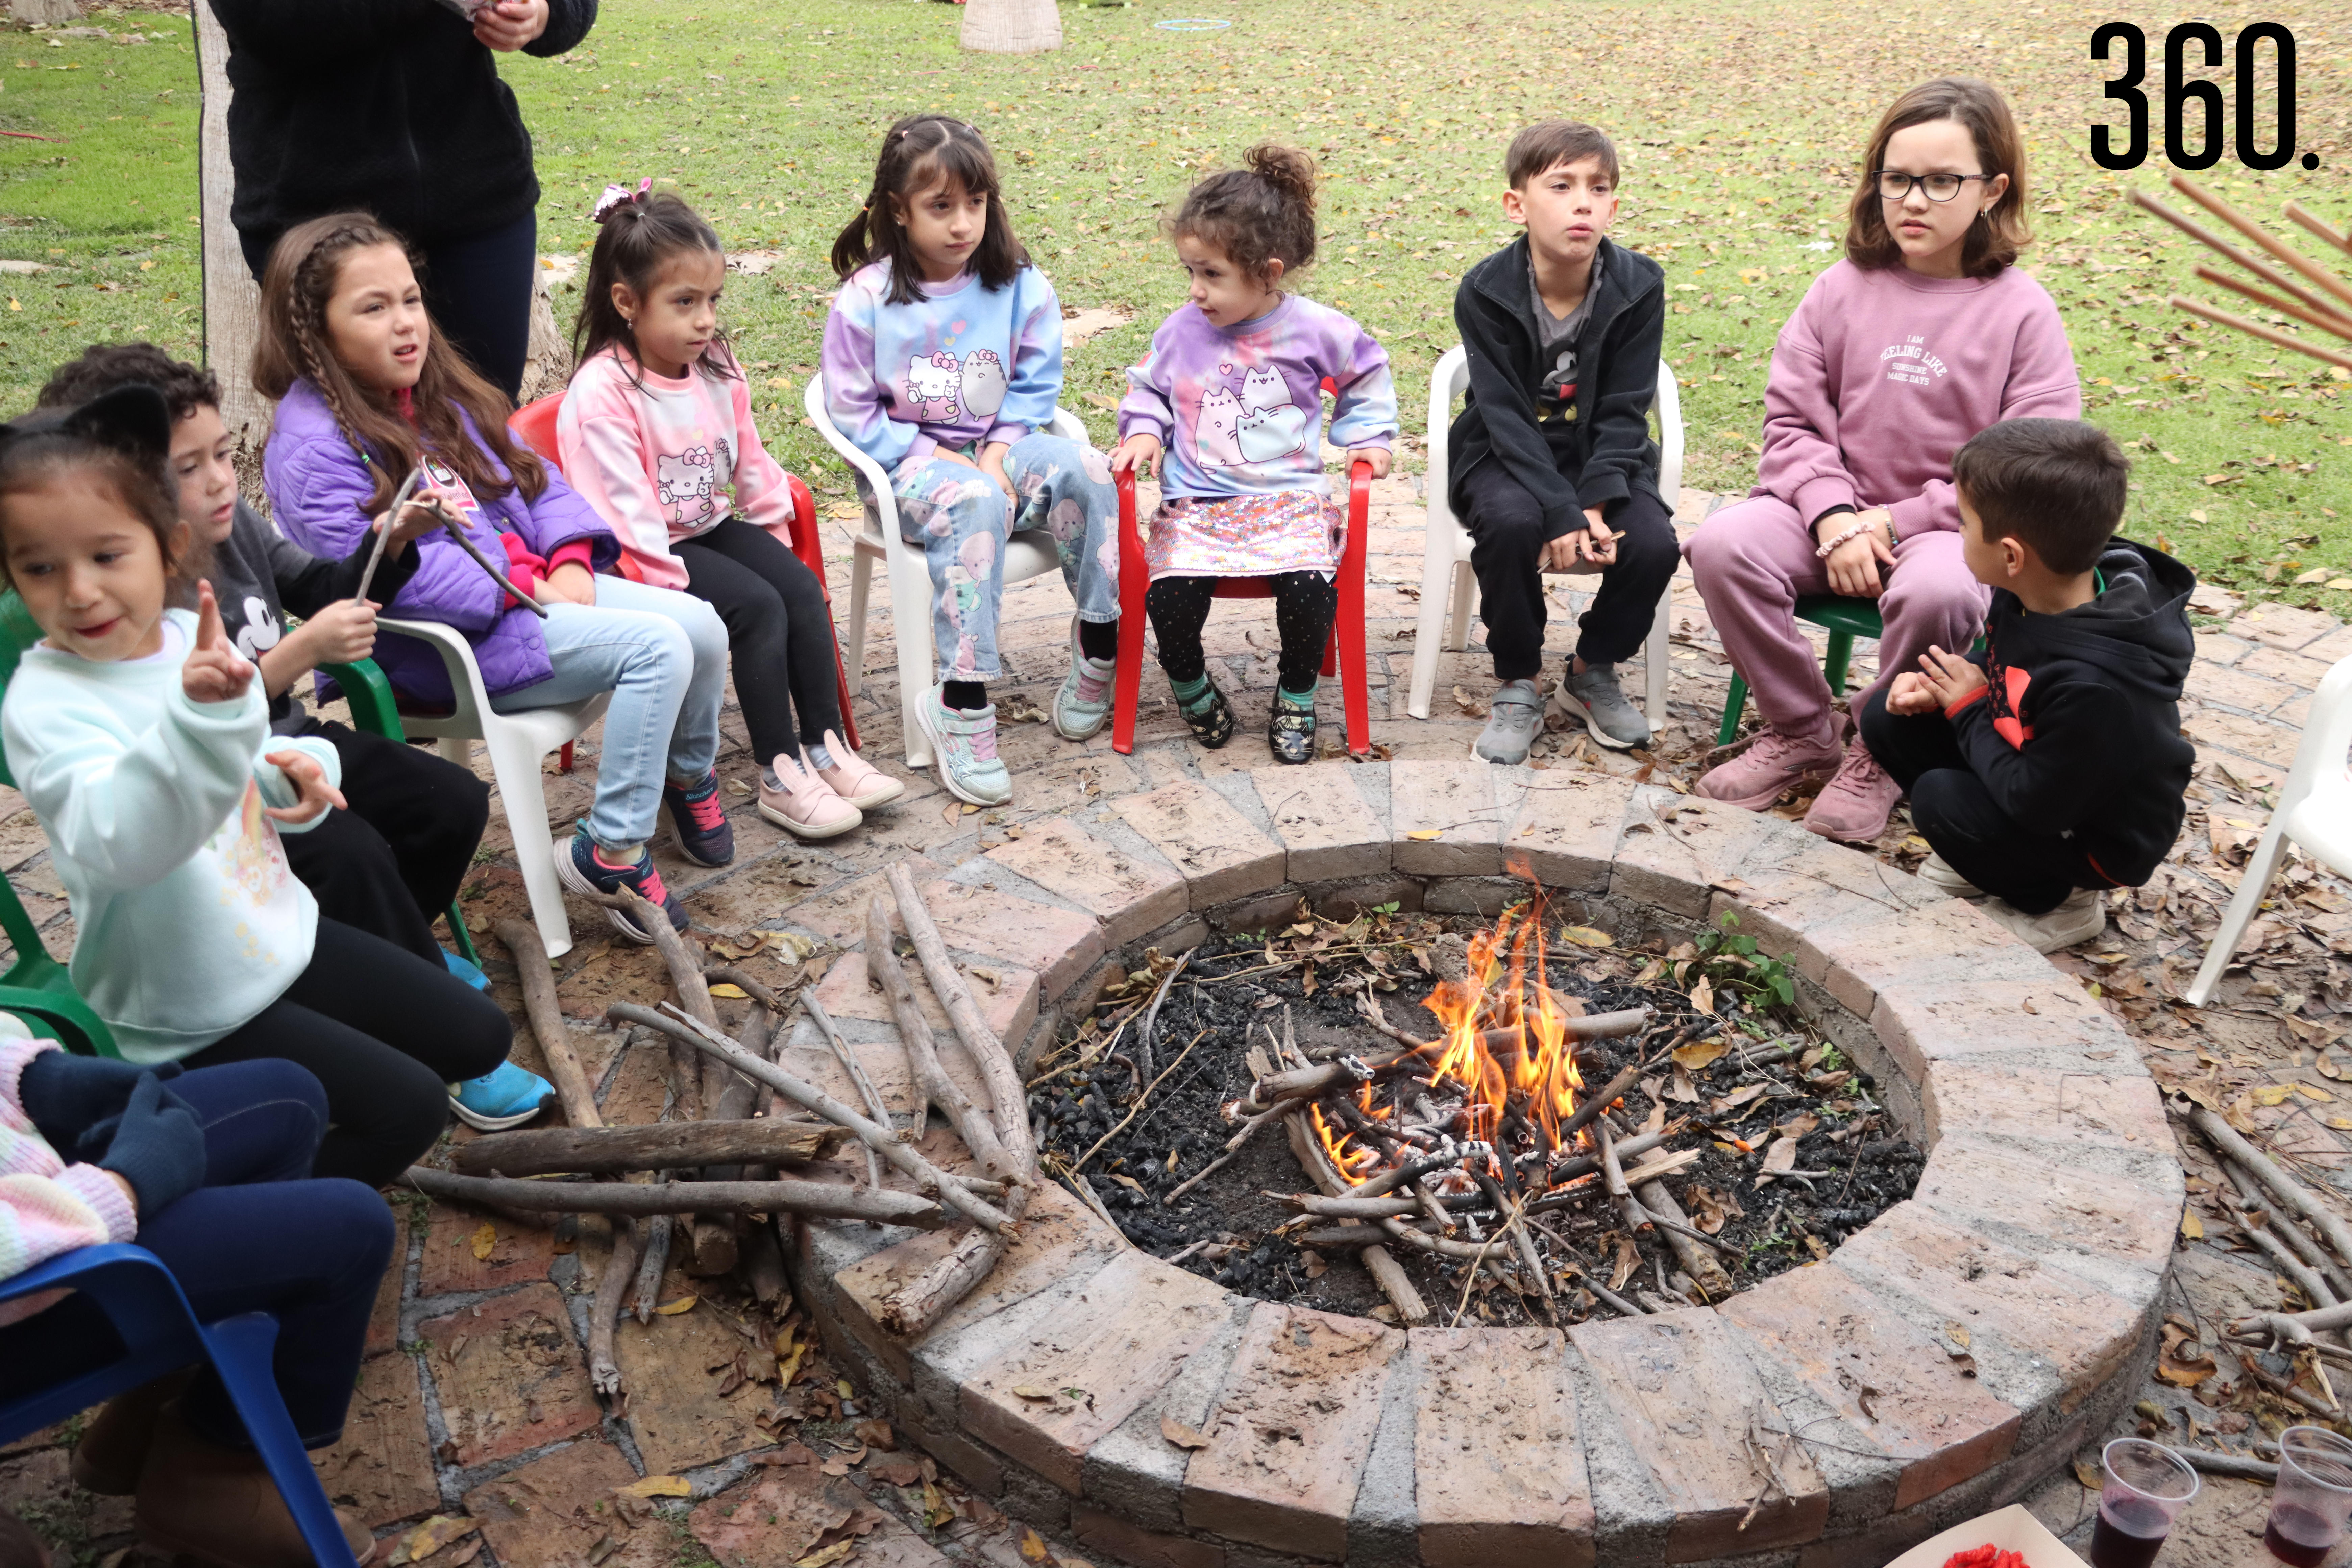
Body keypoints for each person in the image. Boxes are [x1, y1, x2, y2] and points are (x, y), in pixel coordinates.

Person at [0, 385, 519, 1186]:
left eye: (107, 555)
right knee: (410, 1107)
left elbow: (236, 755)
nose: (78, 590)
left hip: (273, 929)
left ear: (168, 547)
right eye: (40, 566)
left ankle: (272, 1118)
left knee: (478, 1036)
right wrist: (201, 722)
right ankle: (201, 1187)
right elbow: (124, 841)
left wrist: (292, 773)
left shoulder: (178, 636)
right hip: (187, 995)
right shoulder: (44, 706)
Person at [257, 212, 731, 945]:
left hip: (530, 598)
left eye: (410, 299)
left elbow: (530, 480)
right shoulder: (314, 448)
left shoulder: (433, 391)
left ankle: (685, 774)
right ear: (315, 331)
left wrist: (570, 556)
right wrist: (527, 583)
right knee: (656, 649)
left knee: (699, 623)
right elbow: (389, 579)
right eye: (373, 308)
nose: (405, 324)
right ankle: (612, 851)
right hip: (453, 648)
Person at [1682, 77, 2080, 842]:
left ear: (1992, 189)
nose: (1914, 201)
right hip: (1824, 511)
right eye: (1896, 179)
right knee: (1722, 544)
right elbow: (1793, 423)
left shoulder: (2022, 312)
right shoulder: (1840, 288)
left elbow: (2032, 464)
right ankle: (1801, 728)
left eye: (1941, 181)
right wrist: (1835, 516)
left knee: (1939, 592)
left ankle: (1881, 749)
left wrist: (1890, 522)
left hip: (1948, 528)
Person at [36, 342, 499, 997]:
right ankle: (409, 990)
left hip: (289, 741)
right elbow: (175, 726)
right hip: (215, 790)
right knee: (351, 854)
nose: (222, 480)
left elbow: (324, 587)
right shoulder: (117, 596)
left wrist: (390, 538)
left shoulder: (233, 527)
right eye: (187, 469)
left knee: (451, 803)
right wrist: (302, 651)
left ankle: (385, 958)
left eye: (223, 454)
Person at [561, 185, 902, 840]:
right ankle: (779, 772)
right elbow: (623, 516)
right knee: (755, 606)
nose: (704, 321)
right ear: (626, 302)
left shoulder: (712, 365)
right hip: (637, 556)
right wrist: (674, 588)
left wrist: (774, 533)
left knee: (797, 589)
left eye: (712, 300)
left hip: (705, 525)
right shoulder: (605, 391)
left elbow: (749, 457)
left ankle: (827, 748)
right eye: (684, 303)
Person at [0, 1015, 393, 1565]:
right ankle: (210, 1476)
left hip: (32, 1184)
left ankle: (156, 1413)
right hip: (25, 1279)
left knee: (288, 1101)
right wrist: (121, 1188)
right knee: (353, 1231)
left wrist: (25, 1074)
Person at [823, 114, 1121, 806]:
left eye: (976, 204)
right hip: (907, 470)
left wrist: (996, 450)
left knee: (1092, 467)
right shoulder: (867, 301)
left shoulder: (1016, 283)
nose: (963, 224)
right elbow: (852, 412)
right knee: (974, 501)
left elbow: (1036, 383)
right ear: (899, 210)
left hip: (1002, 450)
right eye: (941, 207)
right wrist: (948, 458)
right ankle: (960, 701)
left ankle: (1100, 643)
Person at [1111, 144, 1397, 764]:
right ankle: (1190, 686)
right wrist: (1142, 431)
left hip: (1288, 504)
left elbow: (1367, 374)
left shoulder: (1316, 329)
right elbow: (1149, 388)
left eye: (1211, 274)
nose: (1195, 291)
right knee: (1170, 597)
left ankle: (1296, 693)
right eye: (1189, 272)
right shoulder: (1181, 330)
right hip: (1200, 507)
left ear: (1268, 272)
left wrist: (1367, 441)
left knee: (1309, 589)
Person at [1863, 419, 2192, 952]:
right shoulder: (2039, 588)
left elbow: (2038, 804)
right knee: (1887, 718)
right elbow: (2005, 661)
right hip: (2036, 762)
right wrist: (1945, 689)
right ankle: (1990, 860)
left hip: (2091, 837)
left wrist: (1968, 706)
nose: (1959, 534)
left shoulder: (2098, 688)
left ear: (2012, 556)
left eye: (1964, 525)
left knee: (1941, 800)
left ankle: (2063, 903)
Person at [206, 0, 596, 400]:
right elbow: (265, 22)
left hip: (477, 200)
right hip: (317, 217)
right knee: (353, 436)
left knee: (484, 424)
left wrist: (542, 16)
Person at [1449, 120, 1675, 763]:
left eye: (1598, 188)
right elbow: (1505, 416)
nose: (1583, 202)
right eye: (1562, 185)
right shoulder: (1486, 291)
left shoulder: (1639, 286)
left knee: (1654, 544)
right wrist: (1558, 509)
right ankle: (1518, 680)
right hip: (1503, 452)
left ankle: (1590, 668)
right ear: (1517, 204)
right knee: (1514, 526)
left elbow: (1625, 409)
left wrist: (1597, 502)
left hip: (1601, 457)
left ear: (1613, 205)